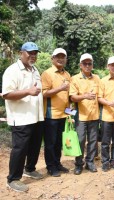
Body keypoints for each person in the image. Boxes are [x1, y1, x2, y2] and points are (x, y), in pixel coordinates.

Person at [2, 42, 44, 192]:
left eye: (35, 53)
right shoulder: (12, 71)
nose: (33, 56)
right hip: (21, 118)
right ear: (21, 53)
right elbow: (6, 94)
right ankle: (12, 179)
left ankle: (30, 169)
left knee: (34, 145)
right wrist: (28, 92)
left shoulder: (35, 69)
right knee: (20, 148)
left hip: (36, 117)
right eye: (30, 53)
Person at [69, 53, 101, 175]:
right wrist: (85, 96)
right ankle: (78, 164)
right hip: (81, 116)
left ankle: (90, 162)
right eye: (85, 63)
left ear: (92, 65)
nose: (87, 66)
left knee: (93, 140)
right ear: (80, 65)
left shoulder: (97, 78)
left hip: (94, 115)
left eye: (90, 63)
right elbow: (72, 97)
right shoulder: (75, 79)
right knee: (80, 140)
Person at [41, 48, 71, 177]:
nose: (60, 59)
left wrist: (70, 113)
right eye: (57, 57)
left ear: (66, 59)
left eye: (62, 57)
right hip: (51, 114)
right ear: (52, 59)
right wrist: (60, 88)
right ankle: (51, 167)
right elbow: (44, 93)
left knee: (59, 142)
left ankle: (57, 163)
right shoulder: (47, 74)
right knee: (50, 142)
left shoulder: (67, 75)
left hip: (63, 114)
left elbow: (68, 95)